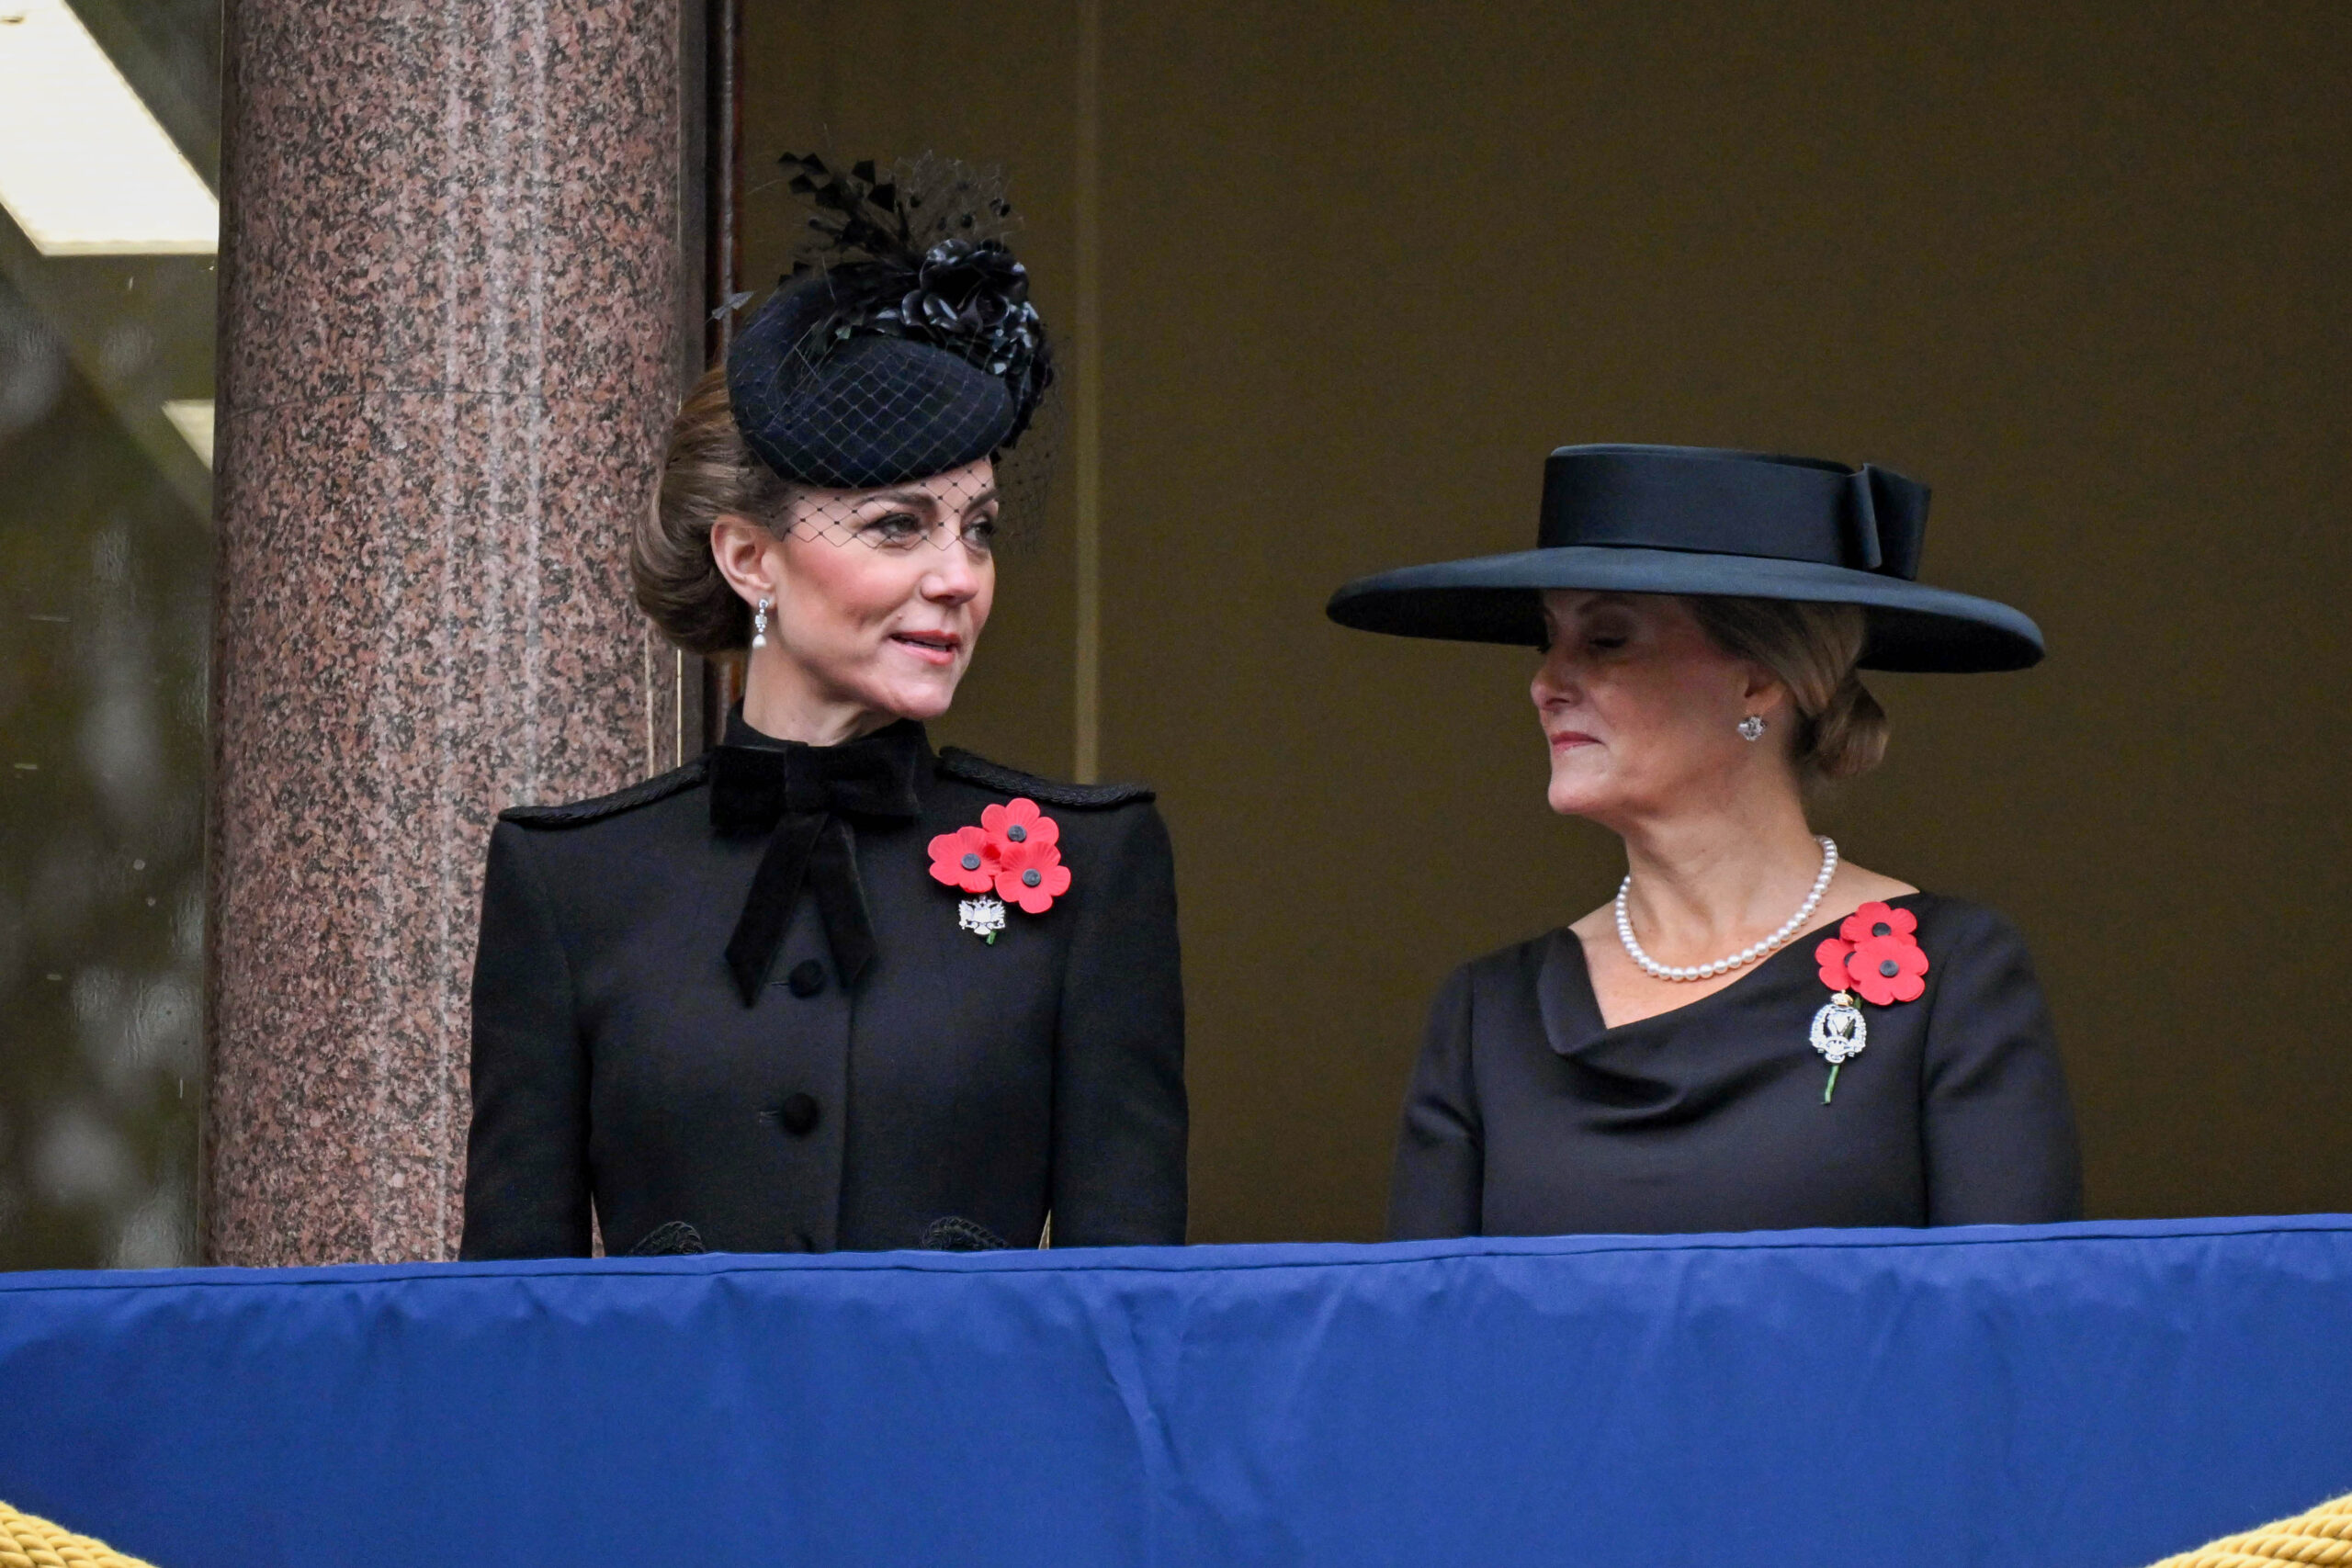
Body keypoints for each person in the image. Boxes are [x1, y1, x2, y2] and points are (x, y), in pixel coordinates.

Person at [460, 156, 1185, 1259]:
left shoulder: (1095, 868)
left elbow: (1134, 1314)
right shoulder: (571, 884)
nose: (960, 576)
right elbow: (510, 1323)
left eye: (976, 527)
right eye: (898, 526)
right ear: (751, 558)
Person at [1328, 444, 2080, 1237]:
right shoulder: (1489, 1015)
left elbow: (2009, 1329)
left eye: (1607, 639)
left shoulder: (1955, 977)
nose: (1545, 683)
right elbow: (1424, 1342)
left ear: (1758, 680)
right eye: (1545, 638)